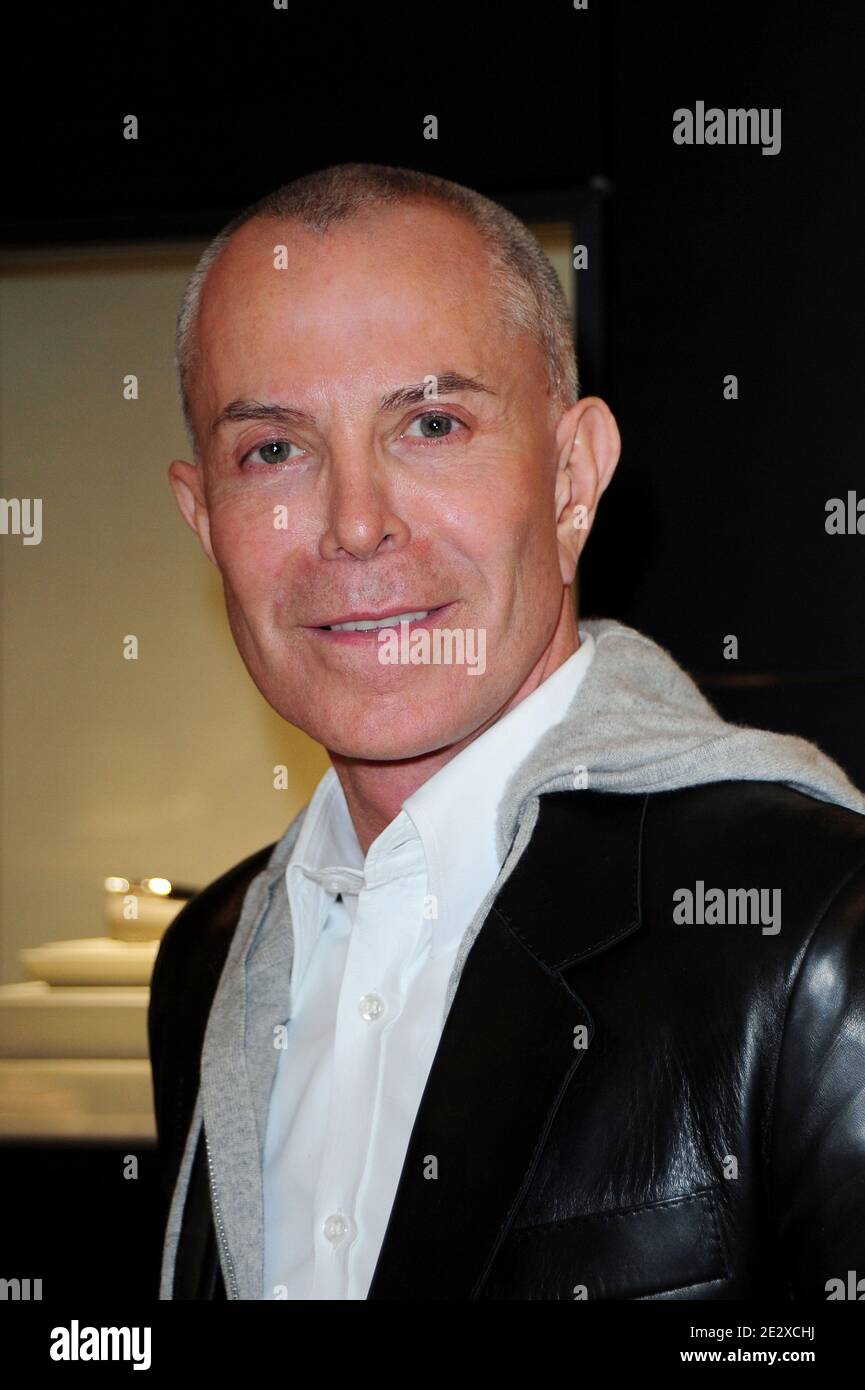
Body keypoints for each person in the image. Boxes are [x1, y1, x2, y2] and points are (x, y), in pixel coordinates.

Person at [148, 162, 865, 1301]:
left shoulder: (814, 930)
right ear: (204, 517)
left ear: (574, 476)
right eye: (273, 451)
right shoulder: (213, 959)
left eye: (431, 423)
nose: (354, 525)